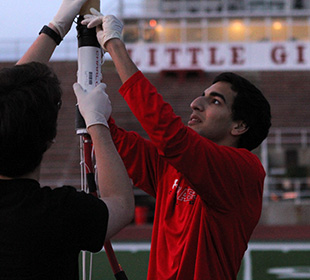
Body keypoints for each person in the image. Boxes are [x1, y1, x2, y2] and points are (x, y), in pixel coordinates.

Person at [80, 10, 272, 280]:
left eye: (215, 101)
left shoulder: (245, 170)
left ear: (239, 126)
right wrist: (94, 104)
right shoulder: (174, 167)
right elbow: (121, 145)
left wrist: (115, 46)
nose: (196, 103)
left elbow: (169, 134)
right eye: (202, 95)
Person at [0, 1, 134, 279]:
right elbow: (121, 202)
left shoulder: (53, 211)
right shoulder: (57, 213)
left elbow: (10, 97)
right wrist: (96, 122)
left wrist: (55, 28)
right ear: (50, 139)